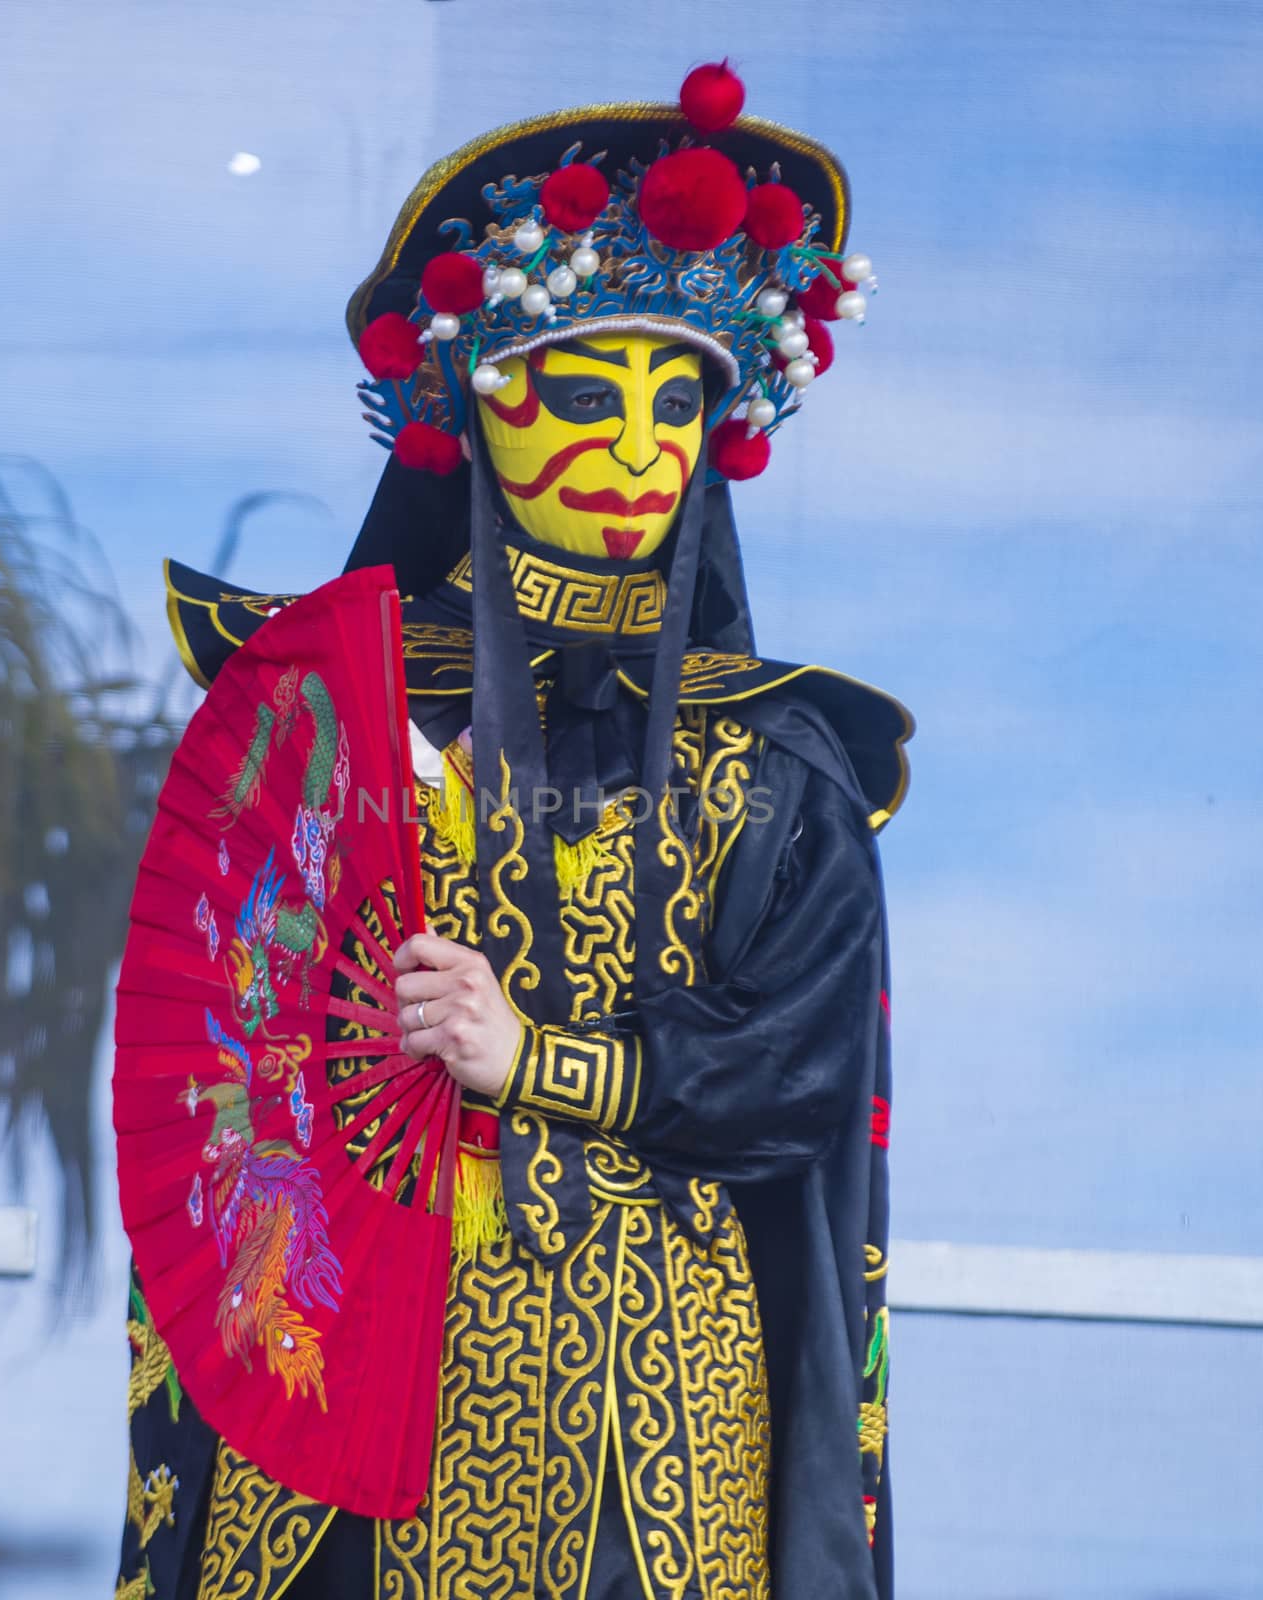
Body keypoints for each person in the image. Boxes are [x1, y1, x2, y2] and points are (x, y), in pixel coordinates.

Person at [118, 60, 911, 1600]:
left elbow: (798, 1078)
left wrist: (532, 1059)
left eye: (675, 400)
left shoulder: (782, 765)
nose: (636, 450)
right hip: (360, 1377)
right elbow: (223, 1064)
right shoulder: (334, 725)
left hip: (658, 1412)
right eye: (588, 395)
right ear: (481, 409)